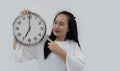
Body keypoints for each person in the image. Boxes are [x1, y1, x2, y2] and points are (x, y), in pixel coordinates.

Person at [13, 9, 85, 71]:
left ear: (69, 28)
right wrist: (22, 21)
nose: (56, 26)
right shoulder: (42, 41)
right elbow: (18, 49)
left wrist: (59, 50)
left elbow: (79, 66)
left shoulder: (73, 45)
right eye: (55, 23)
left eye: (61, 24)